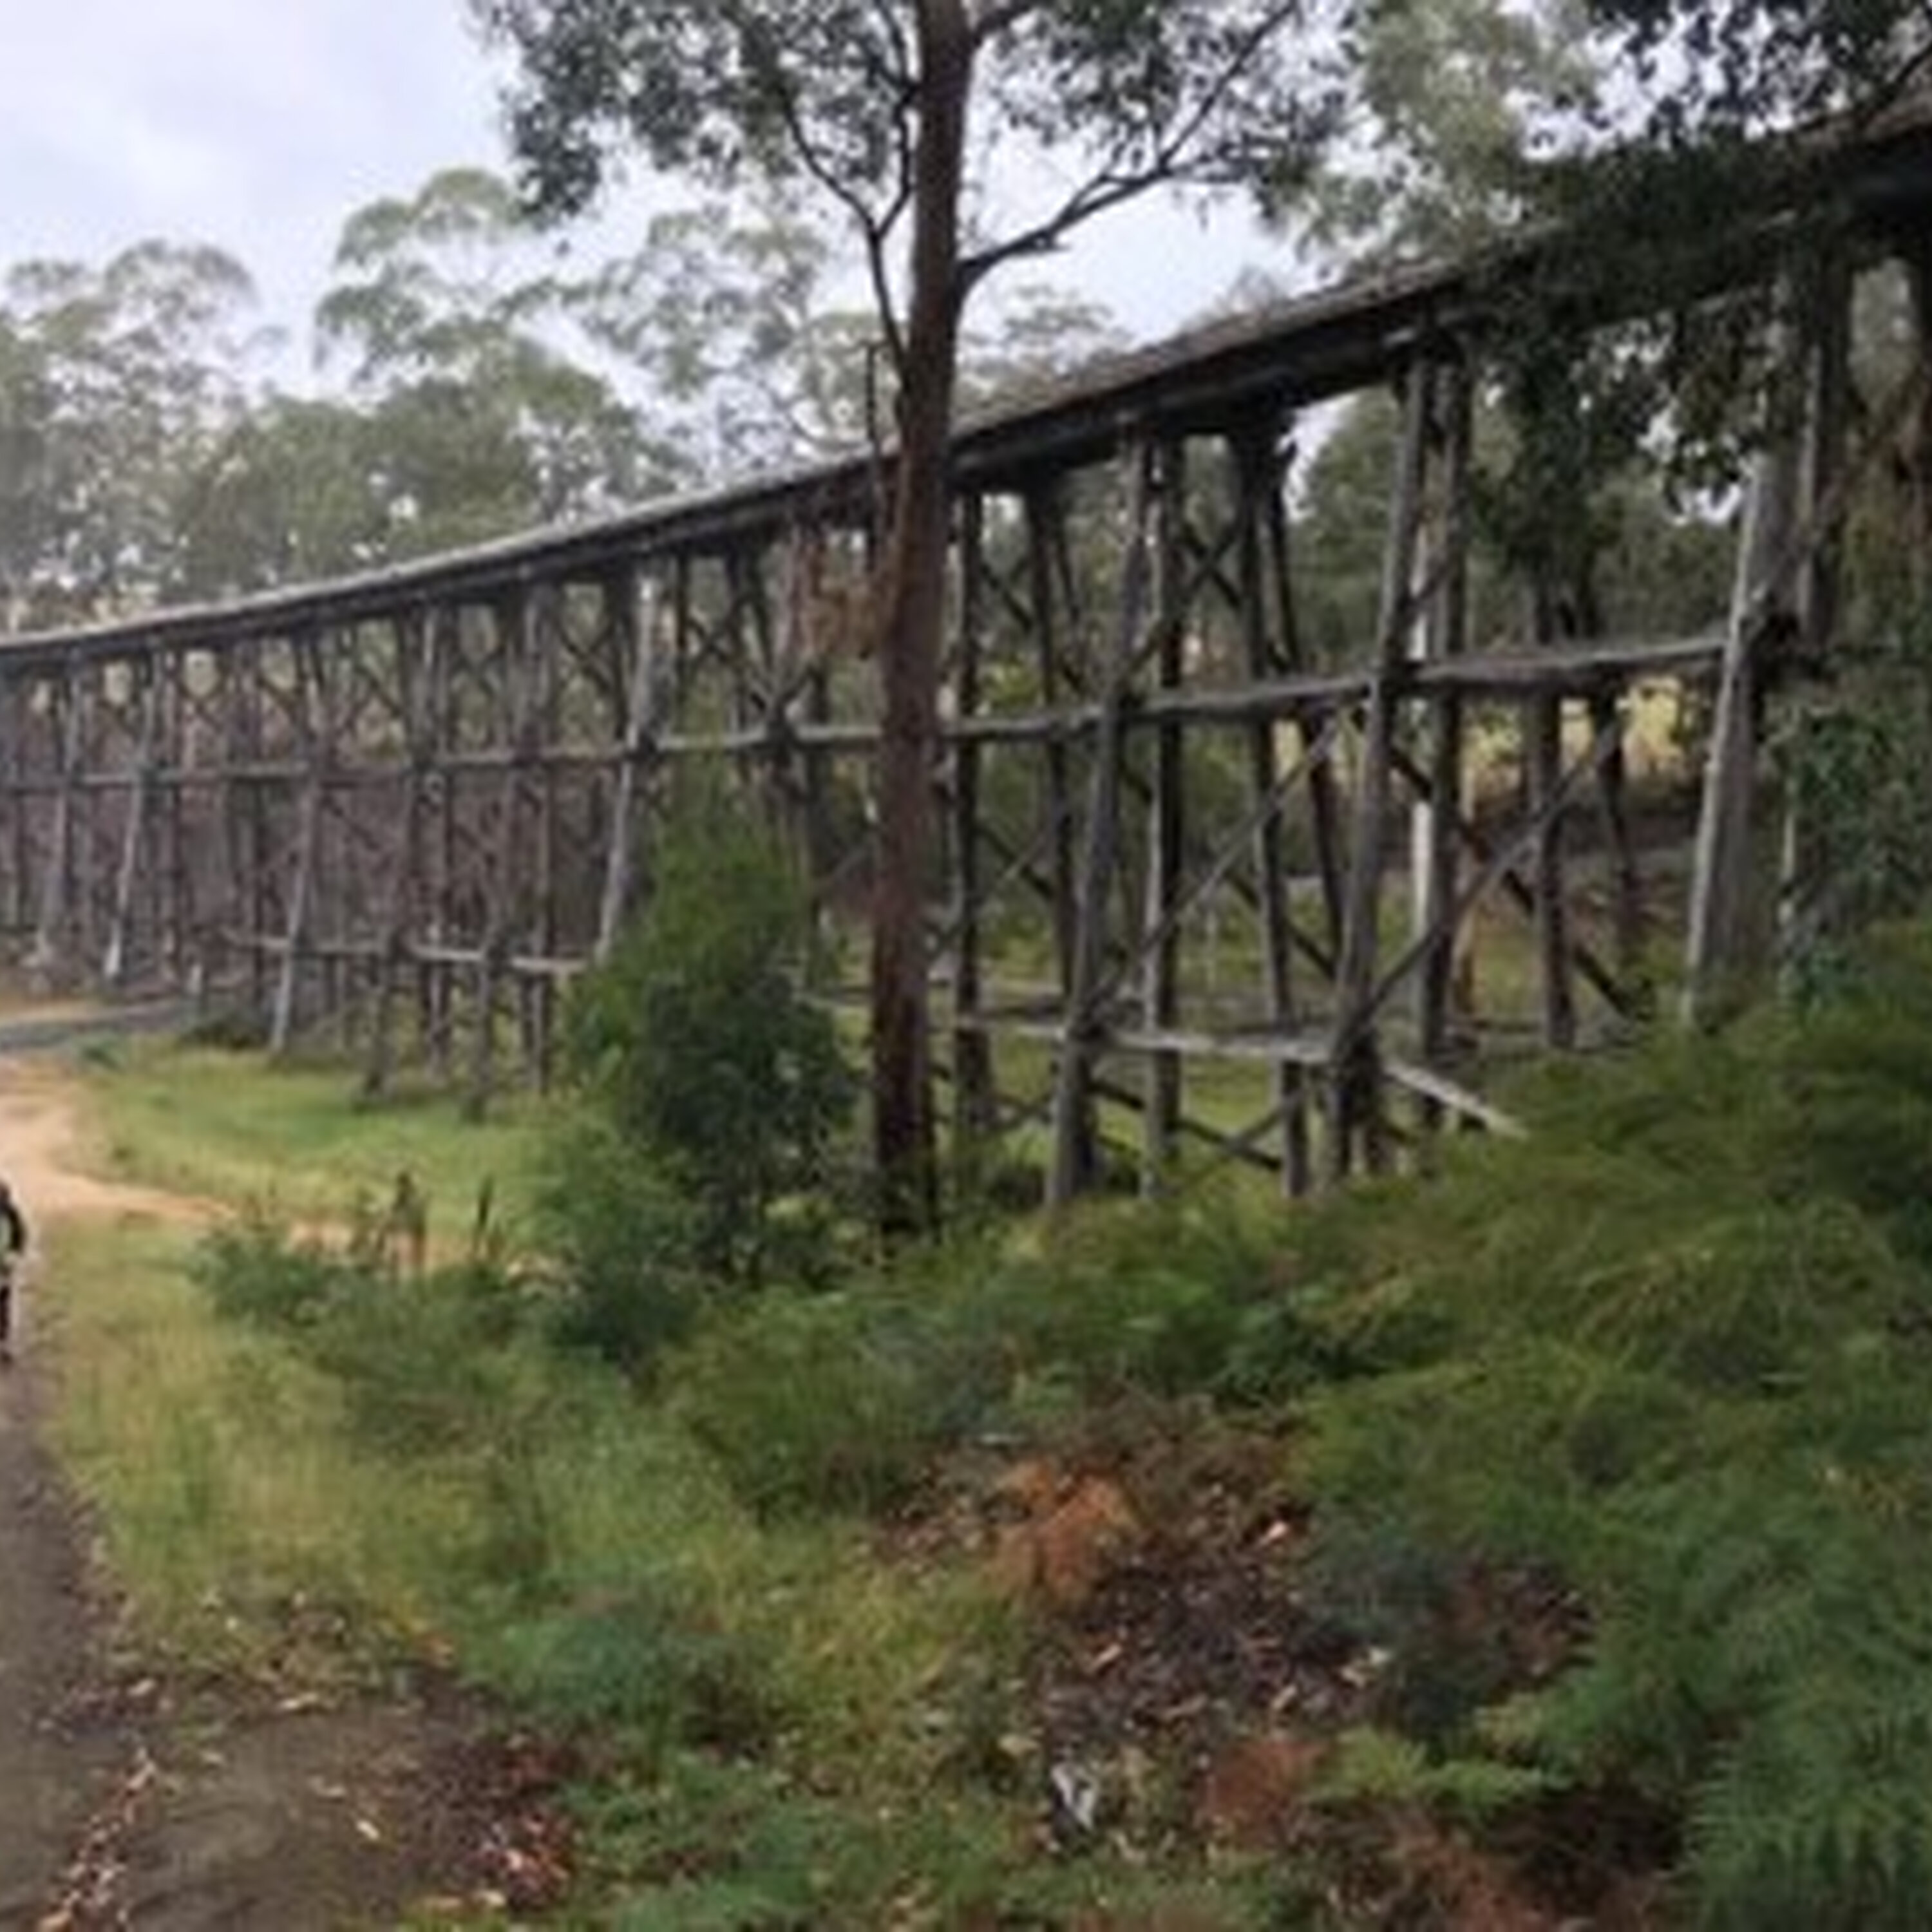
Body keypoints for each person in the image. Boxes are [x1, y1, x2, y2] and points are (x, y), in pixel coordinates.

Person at [0, 1180, 28, 1365]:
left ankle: (4, 1343)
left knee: (2, 1306)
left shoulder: (10, 1214)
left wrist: (14, 1254)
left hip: (2, 1267)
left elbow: (20, 1235)